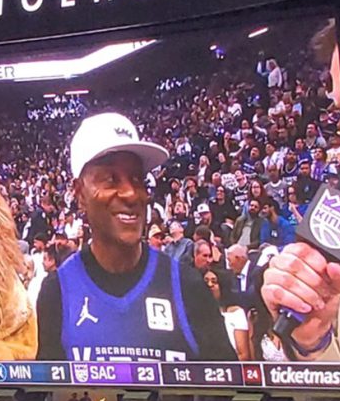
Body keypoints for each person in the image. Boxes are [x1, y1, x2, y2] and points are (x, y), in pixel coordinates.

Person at [37, 113, 235, 362]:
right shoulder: (58, 292)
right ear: (80, 195)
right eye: (111, 179)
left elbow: (231, 396)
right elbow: (47, 397)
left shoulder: (187, 286)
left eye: (136, 178)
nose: (131, 194)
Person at [203, 269, 251, 361]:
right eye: (206, 281)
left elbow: (243, 355)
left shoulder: (236, 313)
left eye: (214, 282)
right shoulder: (198, 313)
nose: (209, 285)